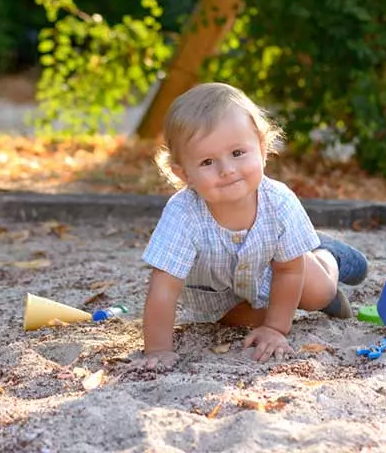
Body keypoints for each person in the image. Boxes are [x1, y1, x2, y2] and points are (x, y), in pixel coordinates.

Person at [137, 82, 368, 368]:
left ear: (261, 147)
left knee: (319, 294)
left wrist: (276, 329)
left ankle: (329, 254)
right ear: (184, 173)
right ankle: (300, 252)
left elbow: (288, 270)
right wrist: (157, 349)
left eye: (237, 153)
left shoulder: (278, 202)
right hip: (222, 295)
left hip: (281, 266)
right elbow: (164, 287)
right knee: (232, 323)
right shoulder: (183, 213)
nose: (227, 170)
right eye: (208, 161)